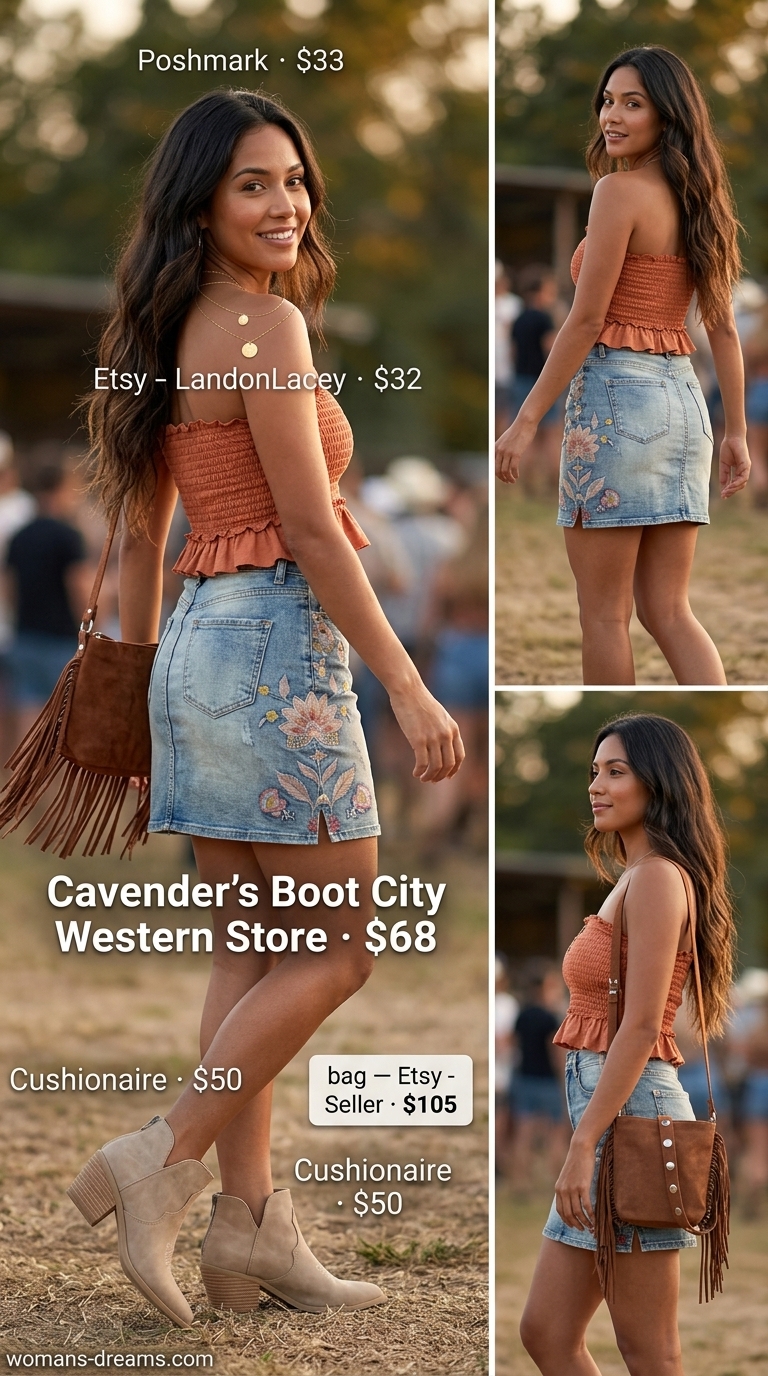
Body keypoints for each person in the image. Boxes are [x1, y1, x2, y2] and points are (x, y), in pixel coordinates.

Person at [65, 89, 464, 1330]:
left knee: (253, 949)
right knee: (339, 947)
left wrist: (139, 687)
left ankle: (252, 1233)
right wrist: (407, 681)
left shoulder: (166, 326)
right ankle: (160, 1156)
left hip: (197, 651)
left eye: (293, 178)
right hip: (279, 654)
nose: (286, 202)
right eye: (253, 183)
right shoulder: (265, 325)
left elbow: (144, 536)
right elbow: (308, 527)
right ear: (201, 203)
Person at [495, 47, 750, 686]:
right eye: (607, 101)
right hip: (686, 406)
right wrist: (736, 433)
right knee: (670, 610)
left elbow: (586, 321)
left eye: (632, 103)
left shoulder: (618, 192)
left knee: (604, 616)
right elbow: (723, 330)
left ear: (668, 115)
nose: (611, 116)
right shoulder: (704, 203)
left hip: (616, 404)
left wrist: (525, 421)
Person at [520, 713, 735, 1376]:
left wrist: (582, 1144)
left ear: (658, 782)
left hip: (635, 1122)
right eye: (594, 771)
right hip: (612, 1113)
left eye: (616, 771)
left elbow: (641, 1027)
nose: (596, 785)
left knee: (650, 1353)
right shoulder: (635, 874)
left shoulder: (660, 878)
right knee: (547, 1333)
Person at [5, 464, 89, 743]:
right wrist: (89, 630)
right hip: (61, 638)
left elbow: (9, 588)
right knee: (67, 720)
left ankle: (23, 770)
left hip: (25, 635)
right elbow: (79, 588)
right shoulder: (69, 536)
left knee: (28, 713)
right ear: (61, 488)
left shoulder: (20, 536)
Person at [508, 961, 568, 1195]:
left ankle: (520, 1183)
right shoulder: (550, 1018)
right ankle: (556, 1183)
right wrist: (564, 1080)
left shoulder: (522, 1015)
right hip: (548, 1082)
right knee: (556, 1134)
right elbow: (556, 1053)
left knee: (523, 1134)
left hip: (525, 1079)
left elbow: (514, 1045)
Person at [510, 265, 563, 493]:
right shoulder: (544, 319)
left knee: (524, 432)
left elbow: (513, 352)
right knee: (551, 434)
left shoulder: (518, 318)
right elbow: (551, 349)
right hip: (541, 380)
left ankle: (523, 481)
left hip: (521, 378)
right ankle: (554, 483)